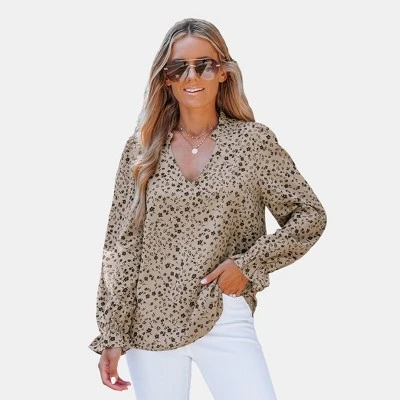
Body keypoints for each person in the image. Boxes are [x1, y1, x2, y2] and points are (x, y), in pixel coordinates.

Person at [88, 17, 327, 399]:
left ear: (224, 72)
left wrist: (247, 265)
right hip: (148, 324)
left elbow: (309, 215)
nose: (192, 76)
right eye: (178, 68)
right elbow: (121, 247)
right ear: (165, 79)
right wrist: (112, 332)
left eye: (204, 65)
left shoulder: (252, 143)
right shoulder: (140, 149)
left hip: (222, 312)